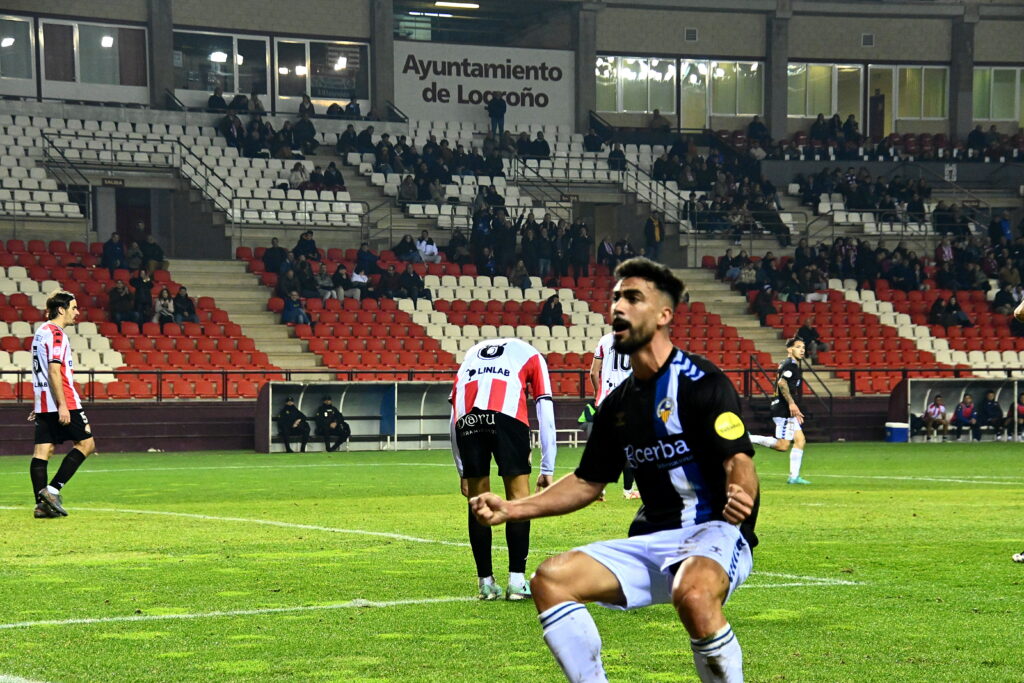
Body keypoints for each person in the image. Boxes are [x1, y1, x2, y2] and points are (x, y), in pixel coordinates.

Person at [470, 258, 759, 682]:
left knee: (693, 595)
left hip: (716, 533)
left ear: (664, 315)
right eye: (617, 298)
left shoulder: (702, 382)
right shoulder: (618, 404)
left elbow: (740, 459)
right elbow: (587, 482)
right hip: (654, 540)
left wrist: (741, 491)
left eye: (633, 298)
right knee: (550, 580)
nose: (618, 307)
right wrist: (512, 509)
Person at [451, 337, 556, 600]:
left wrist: (461, 468)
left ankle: (485, 584)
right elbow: (545, 406)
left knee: (478, 502)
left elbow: (454, 412)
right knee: (519, 499)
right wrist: (548, 465)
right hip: (507, 417)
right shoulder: (531, 354)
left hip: (469, 420)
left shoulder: (471, 354)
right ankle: (517, 583)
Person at [29, 291, 96, 518]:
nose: (77, 313)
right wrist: (63, 405)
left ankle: (41, 506)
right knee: (86, 445)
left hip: (45, 401)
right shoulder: (57, 334)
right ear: (61, 309)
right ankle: (52, 490)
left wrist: (41, 402)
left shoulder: (40, 332)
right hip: (63, 399)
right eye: (74, 308)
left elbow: (40, 371)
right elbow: (54, 370)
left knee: (42, 450)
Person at [748, 338, 811, 484]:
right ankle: (748, 438)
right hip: (783, 410)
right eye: (798, 347)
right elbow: (782, 383)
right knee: (782, 446)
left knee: (800, 440)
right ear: (790, 349)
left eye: (803, 347)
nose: (802, 350)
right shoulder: (790, 365)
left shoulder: (787, 363)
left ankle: (793, 477)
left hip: (784, 407)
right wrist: (791, 404)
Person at [589, 332, 637, 499]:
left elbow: (593, 373)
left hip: (605, 399)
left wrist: (598, 393)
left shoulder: (604, 340)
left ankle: (599, 491)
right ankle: (628, 491)